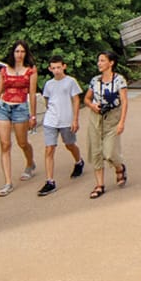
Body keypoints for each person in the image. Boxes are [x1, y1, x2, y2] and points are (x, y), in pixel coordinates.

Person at [0, 41, 37, 196]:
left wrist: (33, 115)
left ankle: (30, 163)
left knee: (22, 142)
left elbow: (32, 94)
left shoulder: (30, 71)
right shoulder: (4, 70)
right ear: (13, 53)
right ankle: (8, 182)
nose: (19, 54)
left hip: (21, 108)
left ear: (26, 53)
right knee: (5, 144)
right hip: (4, 108)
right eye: (17, 51)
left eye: (22, 51)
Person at [34, 54, 85, 196]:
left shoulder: (70, 82)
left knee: (69, 144)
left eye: (59, 67)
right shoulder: (49, 84)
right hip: (51, 120)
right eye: (53, 68)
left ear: (64, 66)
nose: (56, 70)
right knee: (49, 149)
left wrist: (75, 119)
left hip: (66, 120)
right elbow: (48, 100)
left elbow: (75, 100)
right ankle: (50, 181)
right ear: (50, 69)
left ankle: (78, 161)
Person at [83, 51, 129, 197]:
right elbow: (87, 99)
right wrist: (92, 106)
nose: (99, 63)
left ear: (111, 63)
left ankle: (119, 167)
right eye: (99, 61)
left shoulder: (119, 80)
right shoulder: (95, 80)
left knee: (109, 152)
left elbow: (124, 101)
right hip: (96, 118)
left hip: (112, 116)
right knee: (96, 151)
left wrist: (121, 122)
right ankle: (99, 185)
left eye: (102, 60)